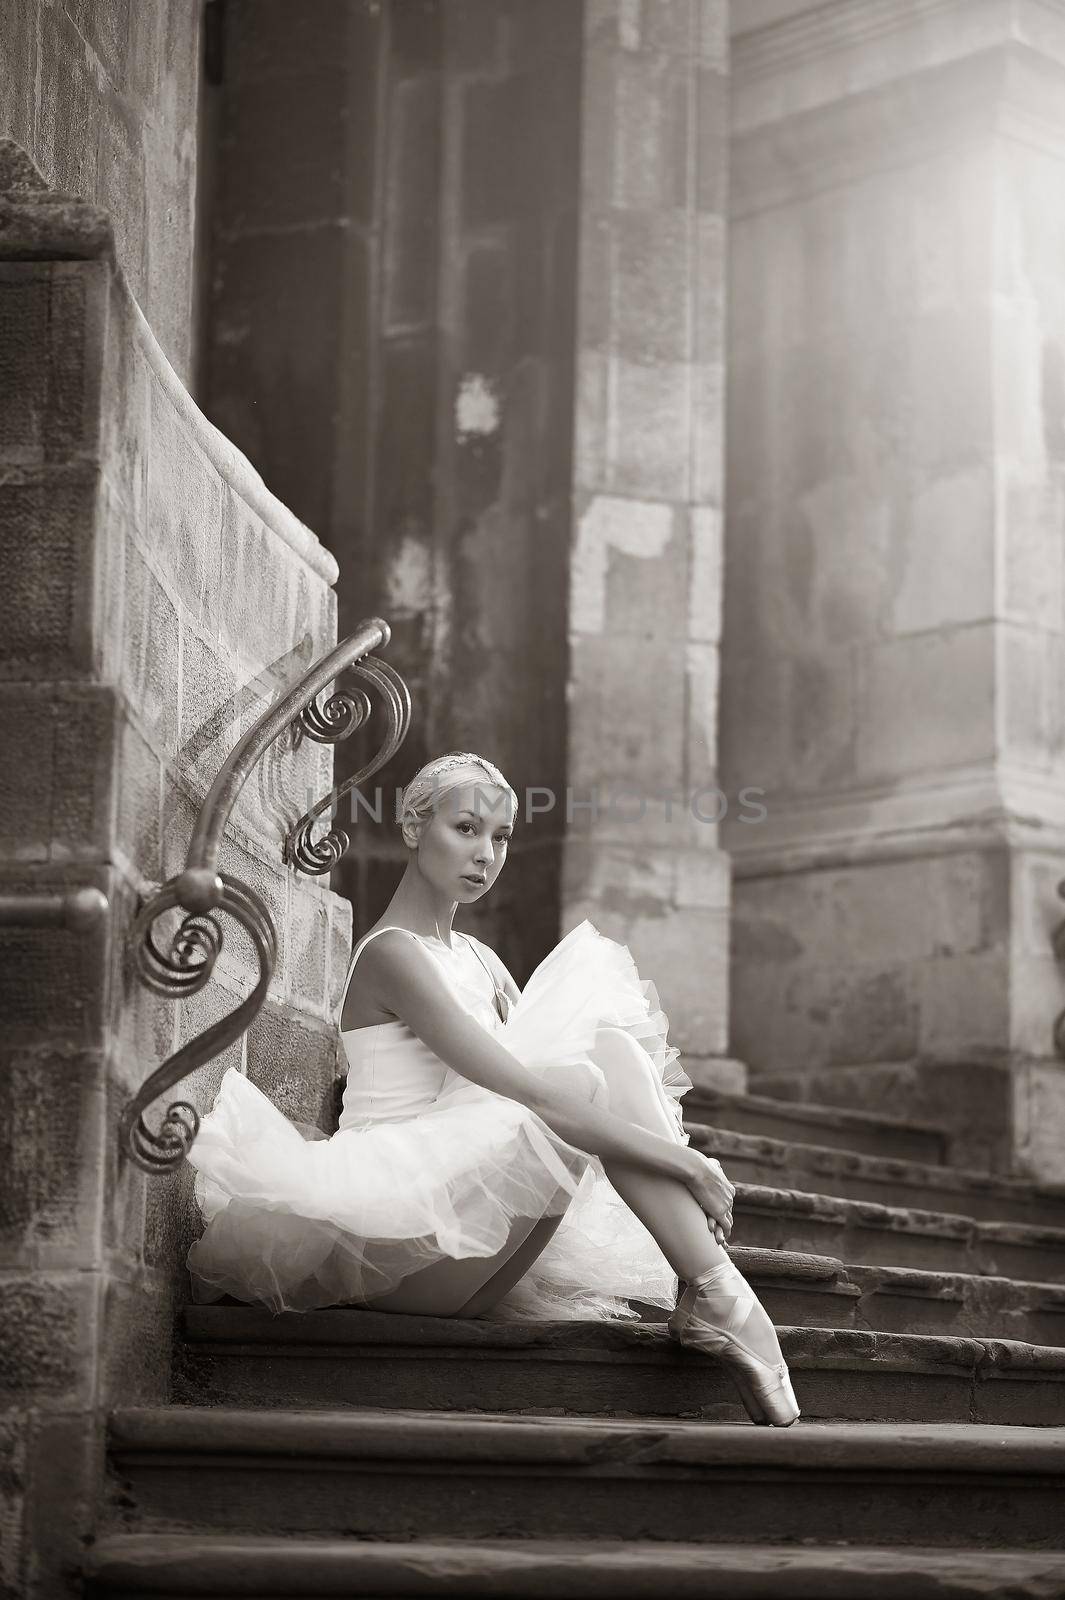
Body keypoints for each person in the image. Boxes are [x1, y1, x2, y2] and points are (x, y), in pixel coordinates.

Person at [185, 752, 799, 1426]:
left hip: (472, 1226)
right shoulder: (392, 954)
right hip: (400, 1241)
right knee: (577, 1072)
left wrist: (681, 1161)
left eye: (500, 837)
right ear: (415, 826)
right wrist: (684, 1161)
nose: (486, 854)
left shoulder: (482, 962)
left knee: (609, 1046)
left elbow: (567, 1087)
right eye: (466, 828)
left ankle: (710, 1285)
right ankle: (721, 1293)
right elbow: (534, 1096)